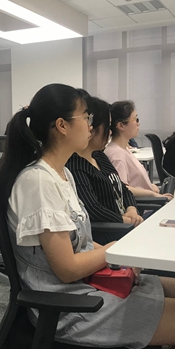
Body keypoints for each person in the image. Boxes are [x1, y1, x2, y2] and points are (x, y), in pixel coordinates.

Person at [0, 83, 175, 349]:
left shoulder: (61, 174)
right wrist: (112, 250)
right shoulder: (38, 182)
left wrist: (116, 254)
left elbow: (78, 242)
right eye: (86, 117)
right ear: (62, 126)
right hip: (72, 305)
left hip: (91, 285)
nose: (91, 126)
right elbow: (66, 269)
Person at [66, 96, 144, 242]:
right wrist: (126, 220)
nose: (110, 132)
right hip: (111, 235)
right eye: (107, 126)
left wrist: (132, 209)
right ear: (92, 128)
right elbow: (93, 209)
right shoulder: (75, 166)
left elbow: (123, 189)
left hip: (126, 226)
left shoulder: (99, 156)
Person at [105, 100, 173, 200]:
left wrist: (151, 187)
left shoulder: (123, 149)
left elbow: (133, 182)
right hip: (143, 206)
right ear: (121, 125)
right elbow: (122, 189)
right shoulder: (117, 155)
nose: (138, 123)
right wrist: (152, 194)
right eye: (136, 119)